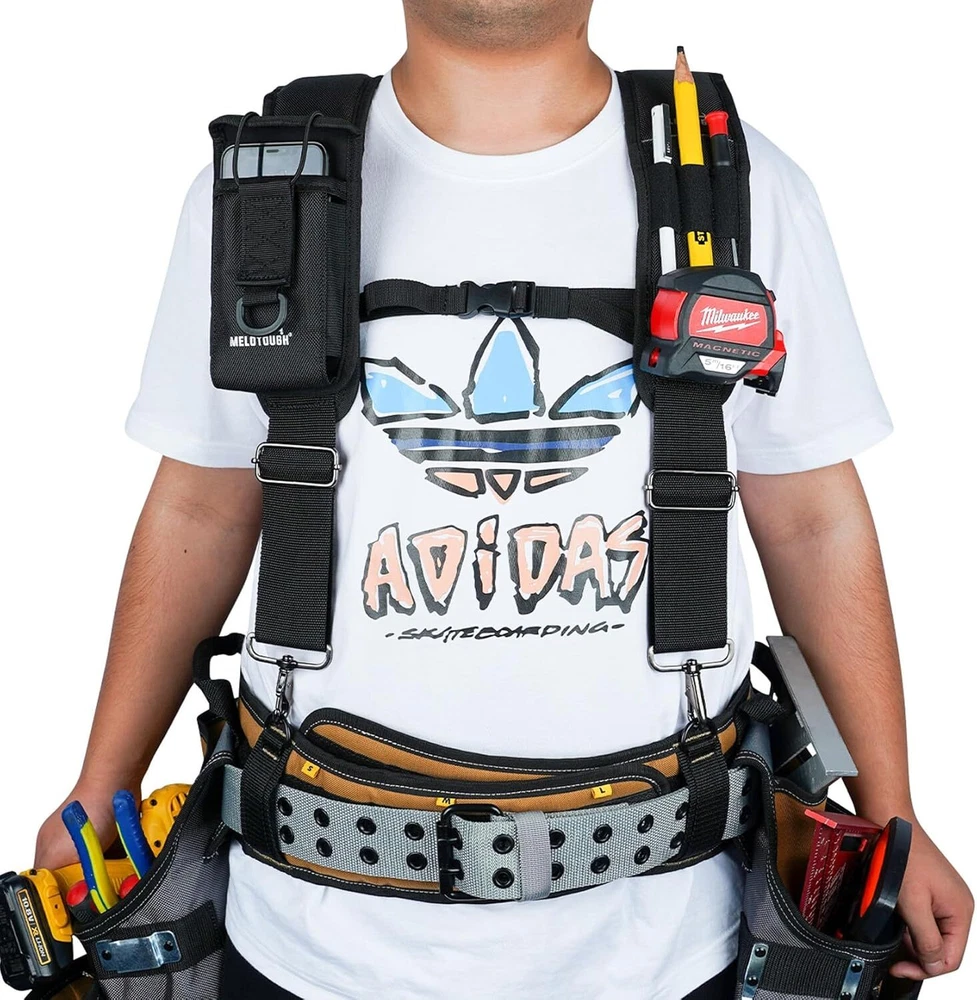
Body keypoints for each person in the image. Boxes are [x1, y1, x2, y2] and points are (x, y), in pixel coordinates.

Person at [31, 2, 972, 998]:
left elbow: (812, 519)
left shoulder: (739, 189)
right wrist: (103, 782)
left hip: (664, 942)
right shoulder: (267, 192)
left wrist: (893, 813)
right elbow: (201, 505)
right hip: (311, 937)